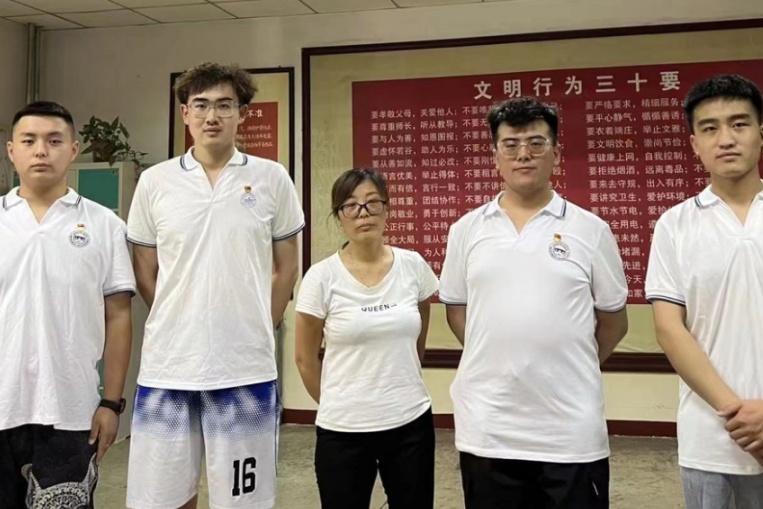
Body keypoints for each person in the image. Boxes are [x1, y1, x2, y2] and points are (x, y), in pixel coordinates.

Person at [126, 62, 304, 509]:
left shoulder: (271, 178)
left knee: (243, 500)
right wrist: (178, 314)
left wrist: (258, 324)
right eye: (201, 105)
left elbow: (286, 268)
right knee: (162, 498)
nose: (212, 116)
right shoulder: (155, 182)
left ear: (243, 113)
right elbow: (145, 270)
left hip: (244, 368)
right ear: (185, 113)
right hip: (169, 365)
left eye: (225, 105)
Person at [439, 97, 629, 508]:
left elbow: (614, 320)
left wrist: (570, 364)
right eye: (510, 145)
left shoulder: (591, 230)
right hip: (489, 426)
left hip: (570, 430)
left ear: (556, 154)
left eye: (536, 143)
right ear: (495, 157)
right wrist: (498, 357)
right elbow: (457, 311)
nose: (523, 154)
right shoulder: (466, 230)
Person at [0, 101, 135, 508]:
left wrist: (111, 403)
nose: (41, 150)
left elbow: (119, 315)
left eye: (54, 141)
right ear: (11, 151)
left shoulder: (104, 225)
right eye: (29, 141)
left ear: (73, 150)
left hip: (72, 412)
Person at [645, 74, 763, 508]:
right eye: (710, 128)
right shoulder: (676, 225)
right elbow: (669, 329)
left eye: (739, 124)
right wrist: (738, 414)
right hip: (711, 436)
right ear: (695, 144)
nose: (726, 139)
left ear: (761, 132)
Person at [294, 168, 439, 509]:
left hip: (410, 422)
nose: (363, 213)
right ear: (339, 216)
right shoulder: (321, 277)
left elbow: (419, 330)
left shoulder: (413, 266)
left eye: (373, 203)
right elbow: (304, 358)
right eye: (351, 205)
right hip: (343, 430)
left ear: (387, 210)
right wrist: (338, 402)